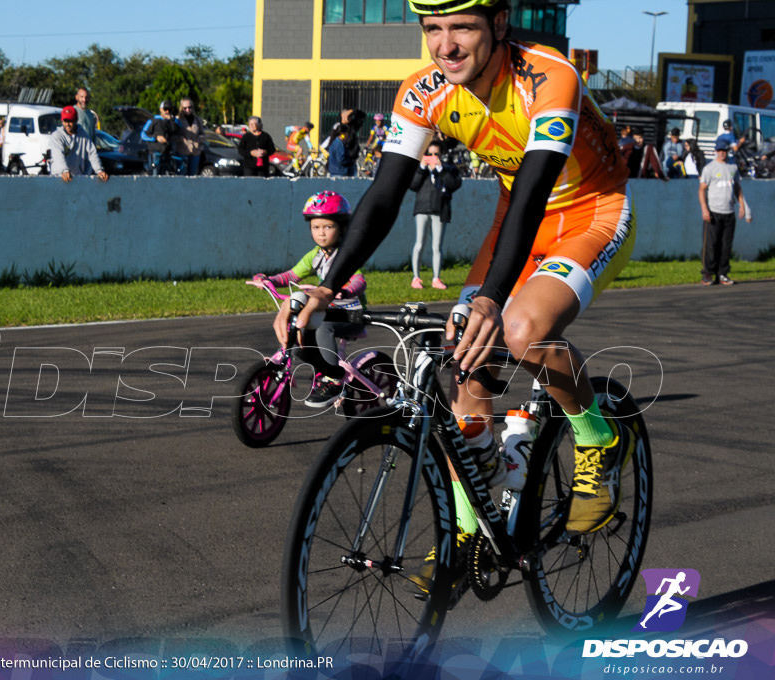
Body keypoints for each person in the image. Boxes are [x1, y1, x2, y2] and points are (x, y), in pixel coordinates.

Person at [276, 0, 638, 538]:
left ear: (498, 24)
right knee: (462, 362)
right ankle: (467, 530)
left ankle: (599, 435)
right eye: (432, 29)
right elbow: (384, 195)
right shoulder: (423, 90)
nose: (445, 45)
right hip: (516, 215)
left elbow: (535, 191)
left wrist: (492, 297)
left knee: (520, 330)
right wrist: (326, 288)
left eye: (462, 28)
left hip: (592, 211)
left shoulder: (549, 76)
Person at [255, 190, 367, 408]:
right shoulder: (315, 255)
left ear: (342, 227)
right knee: (300, 333)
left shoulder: (346, 254)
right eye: (316, 227)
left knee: (323, 327)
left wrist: (344, 291)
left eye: (328, 226)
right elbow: (292, 275)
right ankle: (322, 368)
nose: (321, 233)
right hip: (327, 308)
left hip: (351, 311)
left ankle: (334, 379)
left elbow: (359, 281)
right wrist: (269, 280)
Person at [410, 139, 461, 290]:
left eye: (436, 154)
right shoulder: (421, 169)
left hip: (440, 209)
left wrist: (440, 169)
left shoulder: (448, 168)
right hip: (422, 207)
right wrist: (421, 167)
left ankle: (436, 278)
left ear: (442, 155)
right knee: (419, 243)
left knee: (437, 246)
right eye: (429, 154)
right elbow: (413, 185)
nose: (432, 157)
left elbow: (454, 184)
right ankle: (416, 277)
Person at [698, 139, 750, 286]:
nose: (722, 153)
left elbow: (737, 188)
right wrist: (704, 209)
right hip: (714, 211)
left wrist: (741, 205)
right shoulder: (709, 168)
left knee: (726, 245)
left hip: (729, 212)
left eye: (725, 150)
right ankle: (708, 273)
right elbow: (702, 190)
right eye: (720, 150)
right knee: (711, 244)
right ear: (716, 151)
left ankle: (723, 273)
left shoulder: (732, 167)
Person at [49, 105, 109, 183]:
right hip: (59, 178)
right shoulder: (57, 136)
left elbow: (92, 153)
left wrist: (99, 170)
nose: (67, 124)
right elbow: (58, 155)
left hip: (78, 179)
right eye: (65, 121)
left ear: (76, 120)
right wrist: (64, 170)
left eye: (70, 121)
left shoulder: (83, 134)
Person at [140, 100, 179, 175]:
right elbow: (143, 134)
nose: (167, 111)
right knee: (155, 174)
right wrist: (155, 138)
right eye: (165, 109)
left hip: (167, 153)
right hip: (155, 153)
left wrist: (171, 119)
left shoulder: (172, 121)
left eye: (169, 109)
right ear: (161, 109)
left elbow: (178, 127)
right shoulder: (153, 120)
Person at [327, 110, 366, 177]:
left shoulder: (352, 126)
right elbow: (331, 142)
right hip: (340, 166)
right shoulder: (337, 128)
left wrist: (351, 111)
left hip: (351, 162)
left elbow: (362, 116)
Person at [176, 98, 206, 176]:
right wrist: (182, 139)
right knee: (181, 173)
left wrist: (198, 139)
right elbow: (173, 135)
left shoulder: (197, 120)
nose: (188, 109)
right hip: (182, 150)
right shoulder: (178, 120)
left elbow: (204, 135)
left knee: (192, 174)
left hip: (195, 151)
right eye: (185, 108)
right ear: (181, 108)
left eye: (190, 107)